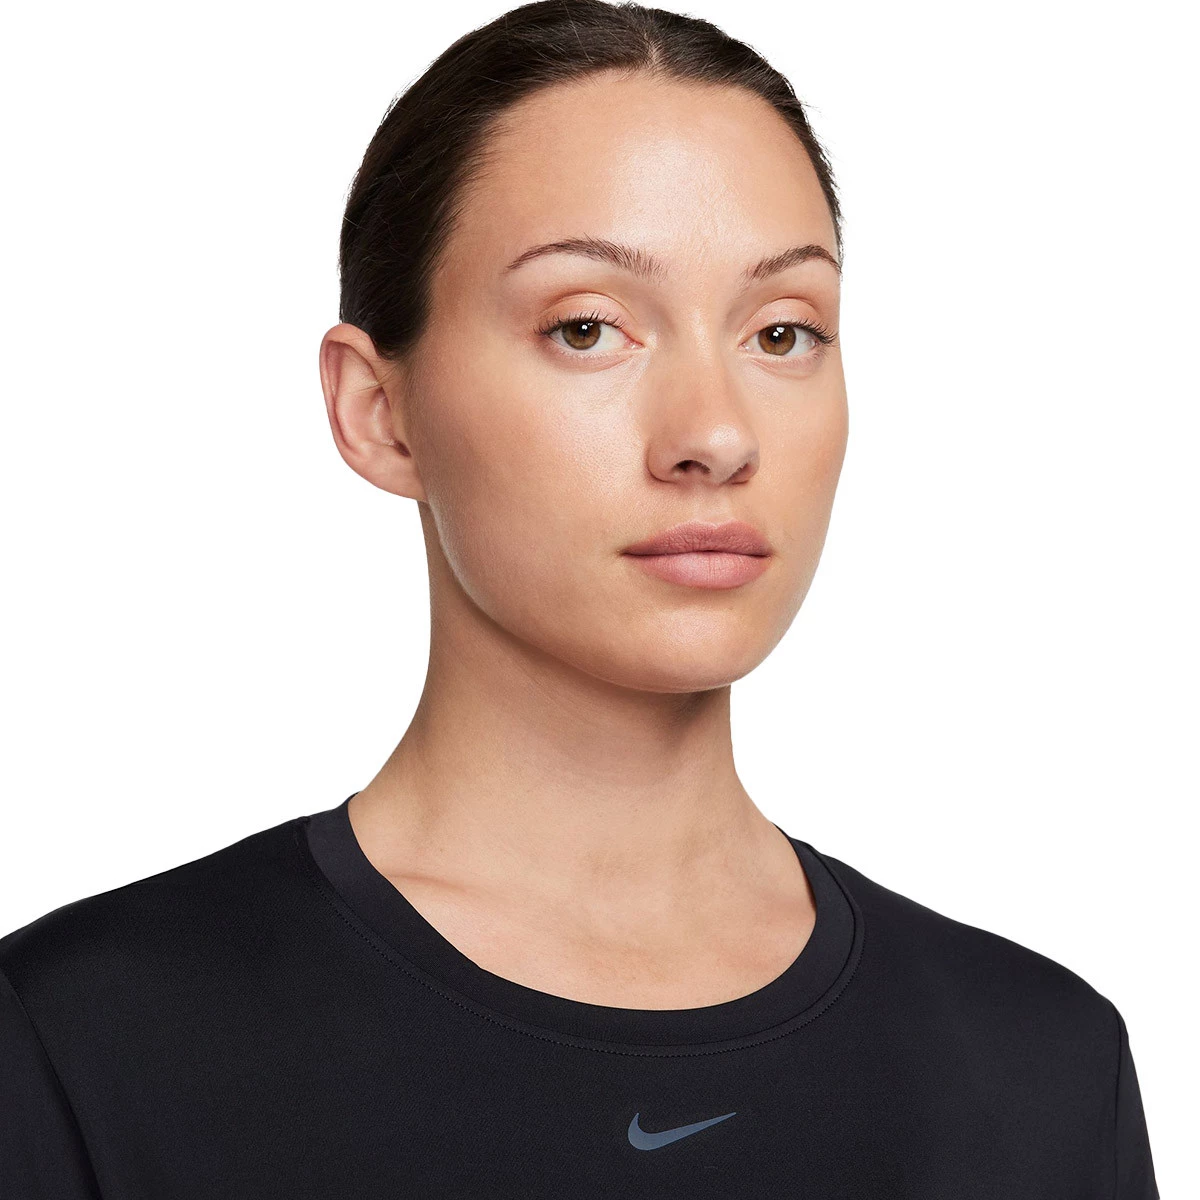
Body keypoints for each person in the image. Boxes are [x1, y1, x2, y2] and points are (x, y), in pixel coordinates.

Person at [0, 1, 1159, 1195]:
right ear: (378, 412)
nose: (714, 435)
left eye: (782, 334)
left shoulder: (1041, 1067)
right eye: (588, 327)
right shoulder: (81, 1045)